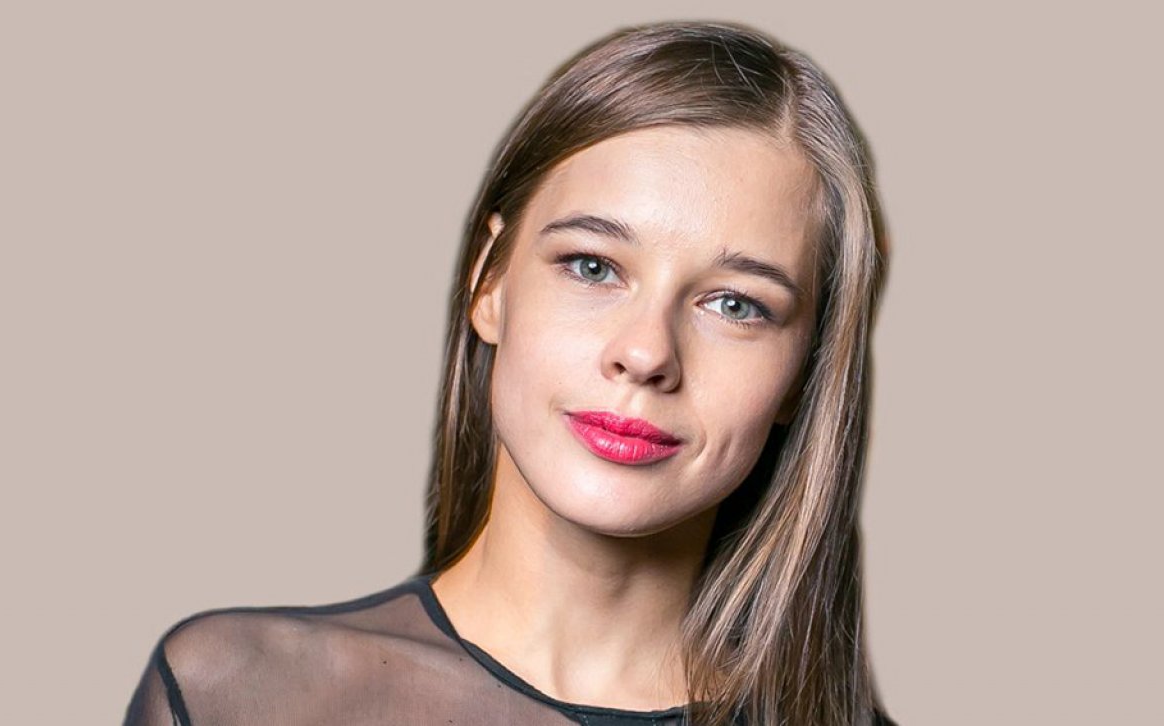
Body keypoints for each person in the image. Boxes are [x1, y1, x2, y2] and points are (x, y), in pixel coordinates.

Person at [122, 20, 894, 726]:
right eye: (592, 266)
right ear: (489, 282)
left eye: (735, 305)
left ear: (804, 372)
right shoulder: (237, 694)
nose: (646, 354)